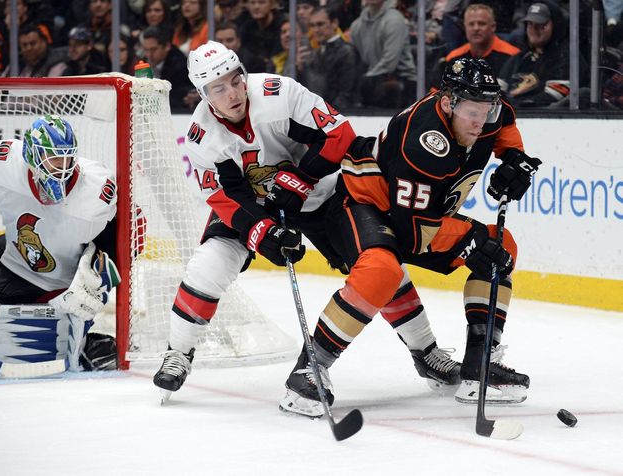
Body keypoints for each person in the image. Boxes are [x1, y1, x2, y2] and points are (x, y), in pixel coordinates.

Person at [152, 40, 462, 402]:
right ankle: (178, 352)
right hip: (256, 205)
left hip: (322, 193)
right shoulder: (202, 137)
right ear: (203, 95)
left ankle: (425, 351)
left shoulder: (278, 93)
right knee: (208, 266)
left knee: (380, 261)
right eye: (218, 88)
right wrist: (263, 233)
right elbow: (226, 198)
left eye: (235, 80)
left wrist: (301, 179)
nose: (232, 93)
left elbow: (340, 135)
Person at [280, 58, 541, 417]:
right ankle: (309, 367)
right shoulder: (423, 140)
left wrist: (514, 158)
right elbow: (413, 233)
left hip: (415, 215)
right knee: (381, 269)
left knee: (502, 246)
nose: (480, 121)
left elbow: (505, 121)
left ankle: (479, 364)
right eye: (471, 111)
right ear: (448, 102)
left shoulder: (488, 113)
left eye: (486, 108)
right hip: (362, 202)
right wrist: (470, 238)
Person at [0, 114, 120, 372]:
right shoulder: (3, 164)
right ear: (32, 156)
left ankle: (84, 341)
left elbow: (129, 235)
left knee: (11, 301)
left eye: (68, 157)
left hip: (47, 282)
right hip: (11, 251)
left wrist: (98, 276)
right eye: (54, 158)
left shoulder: (94, 192)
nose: (63, 166)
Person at [498, 1, 571, 108]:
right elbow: (496, 94)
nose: (534, 29)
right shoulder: (518, 59)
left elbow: (553, 97)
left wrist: (517, 106)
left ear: (555, 25)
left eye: (541, 25)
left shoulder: (566, 58)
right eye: (530, 24)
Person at [431, 3, 520, 88]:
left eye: (481, 24)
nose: (476, 28)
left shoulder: (513, 56)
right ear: (465, 27)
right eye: (471, 24)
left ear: (493, 27)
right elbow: (436, 94)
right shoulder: (453, 58)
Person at [349, 0, 417, 109]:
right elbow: (355, 60)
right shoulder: (356, 26)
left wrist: (365, 82)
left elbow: (389, 63)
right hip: (374, 79)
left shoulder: (394, 20)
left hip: (402, 81)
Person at [304, 7, 357, 109]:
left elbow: (346, 93)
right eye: (312, 25)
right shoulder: (316, 53)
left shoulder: (346, 51)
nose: (316, 30)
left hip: (340, 115)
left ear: (334, 23)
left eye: (320, 24)